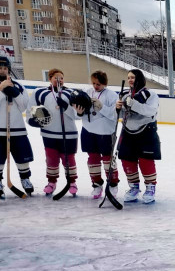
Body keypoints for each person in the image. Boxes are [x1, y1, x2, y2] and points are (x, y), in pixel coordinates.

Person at [116, 69, 160, 204]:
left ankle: (150, 187)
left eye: (133, 77)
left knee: (146, 160)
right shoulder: (123, 94)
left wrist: (134, 104)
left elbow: (150, 111)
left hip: (146, 131)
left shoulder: (150, 94)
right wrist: (117, 108)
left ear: (139, 78)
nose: (130, 80)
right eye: (128, 77)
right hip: (128, 131)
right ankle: (133, 187)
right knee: (126, 159)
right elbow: (120, 115)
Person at [33, 68, 78, 196]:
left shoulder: (72, 93)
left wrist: (66, 106)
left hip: (69, 133)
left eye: (61, 78)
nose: (59, 80)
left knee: (68, 159)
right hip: (49, 133)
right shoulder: (41, 93)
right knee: (51, 159)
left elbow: (78, 115)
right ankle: (51, 182)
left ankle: (72, 182)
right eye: (56, 78)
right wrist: (32, 120)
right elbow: (33, 109)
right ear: (50, 79)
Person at [79, 70, 120, 199]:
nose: (96, 86)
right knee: (92, 159)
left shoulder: (112, 95)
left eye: (99, 84)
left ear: (105, 84)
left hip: (105, 132)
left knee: (108, 159)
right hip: (88, 130)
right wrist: (79, 112)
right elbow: (78, 112)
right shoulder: (87, 92)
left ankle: (113, 184)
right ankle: (97, 184)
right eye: (94, 83)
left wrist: (102, 107)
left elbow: (115, 115)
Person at [0, 56, 33, 198]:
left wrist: (15, 93)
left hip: (18, 128)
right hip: (0, 130)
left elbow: (24, 106)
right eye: (0, 68)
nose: (2, 71)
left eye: (5, 68)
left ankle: (25, 179)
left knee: (22, 156)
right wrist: (1, 90)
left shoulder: (18, 85)